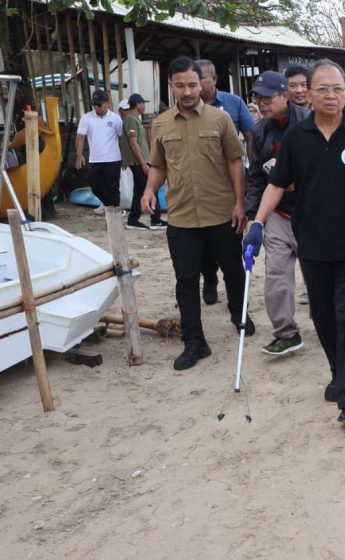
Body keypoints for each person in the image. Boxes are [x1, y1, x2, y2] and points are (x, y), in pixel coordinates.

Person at [246, 59, 345, 428]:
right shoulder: (297, 138)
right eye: (323, 89)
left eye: (338, 89)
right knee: (323, 316)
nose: (331, 95)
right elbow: (276, 184)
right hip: (311, 242)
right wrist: (257, 222)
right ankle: (338, 373)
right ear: (308, 94)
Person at [140, 56, 254, 371]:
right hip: (182, 216)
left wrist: (240, 202)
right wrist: (149, 190)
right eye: (180, 86)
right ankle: (194, 342)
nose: (188, 91)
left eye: (192, 84)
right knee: (186, 280)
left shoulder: (220, 119)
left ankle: (239, 314)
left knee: (233, 271)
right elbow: (159, 165)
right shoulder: (161, 124)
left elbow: (235, 161)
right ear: (171, 86)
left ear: (201, 83)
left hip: (221, 212)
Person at [244, 70, 310, 357]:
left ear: (285, 95)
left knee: (318, 277)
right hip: (278, 214)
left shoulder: (309, 122)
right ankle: (286, 332)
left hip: (311, 213)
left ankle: (331, 323)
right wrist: (252, 218)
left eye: (267, 98)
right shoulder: (260, 132)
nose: (262, 104)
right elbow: (256, 177)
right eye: (258, 98)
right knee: (276, 274)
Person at [196, 59, 255, 305]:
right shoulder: (187, 107)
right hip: (200, 184)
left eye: (201, 79)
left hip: (230, 183)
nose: (197, 85)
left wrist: (252, 170)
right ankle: (209, 276)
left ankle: (236, 297)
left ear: (214, 79)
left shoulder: (233, 103)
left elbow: (250, 136)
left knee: (230, 237)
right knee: (202, 241)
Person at [122, 93, 166, 230]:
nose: (145, 106)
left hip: (141, 161)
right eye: (143, 103)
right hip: (138, 162)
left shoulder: (135, 119)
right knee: (152, 187)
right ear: (138, 104)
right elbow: (133, 143)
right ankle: (155, 219)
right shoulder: (131, 119)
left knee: (139, 190)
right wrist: (143, 163)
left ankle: (133, 219)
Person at [75, 90, 123, 215]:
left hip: (113, 158)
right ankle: (110, 206)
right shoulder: (86, 118)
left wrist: (123, 156)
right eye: (94, 104)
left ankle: (115, 212)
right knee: (95, 187)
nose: (96, 107)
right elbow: (80, 136)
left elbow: (121, 138)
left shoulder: (115, 118)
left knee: (113, 187)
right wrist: (79, 154)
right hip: (95, 159)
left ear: (107, 103)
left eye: (99, 104)